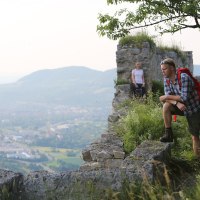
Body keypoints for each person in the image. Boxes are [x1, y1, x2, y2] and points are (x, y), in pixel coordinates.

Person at [159, 58, 200, 156]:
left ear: (172, 68)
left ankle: (197, 159)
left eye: (164, 69)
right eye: (162, 70)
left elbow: (184, 98)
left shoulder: (183, 77)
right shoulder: (166, 79)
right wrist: (176, 103)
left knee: (195, 136)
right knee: (166, 106)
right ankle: (168, 134)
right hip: (181, 106)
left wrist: (168, 97)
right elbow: (165, 99)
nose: (162, 72)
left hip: (194, 109)